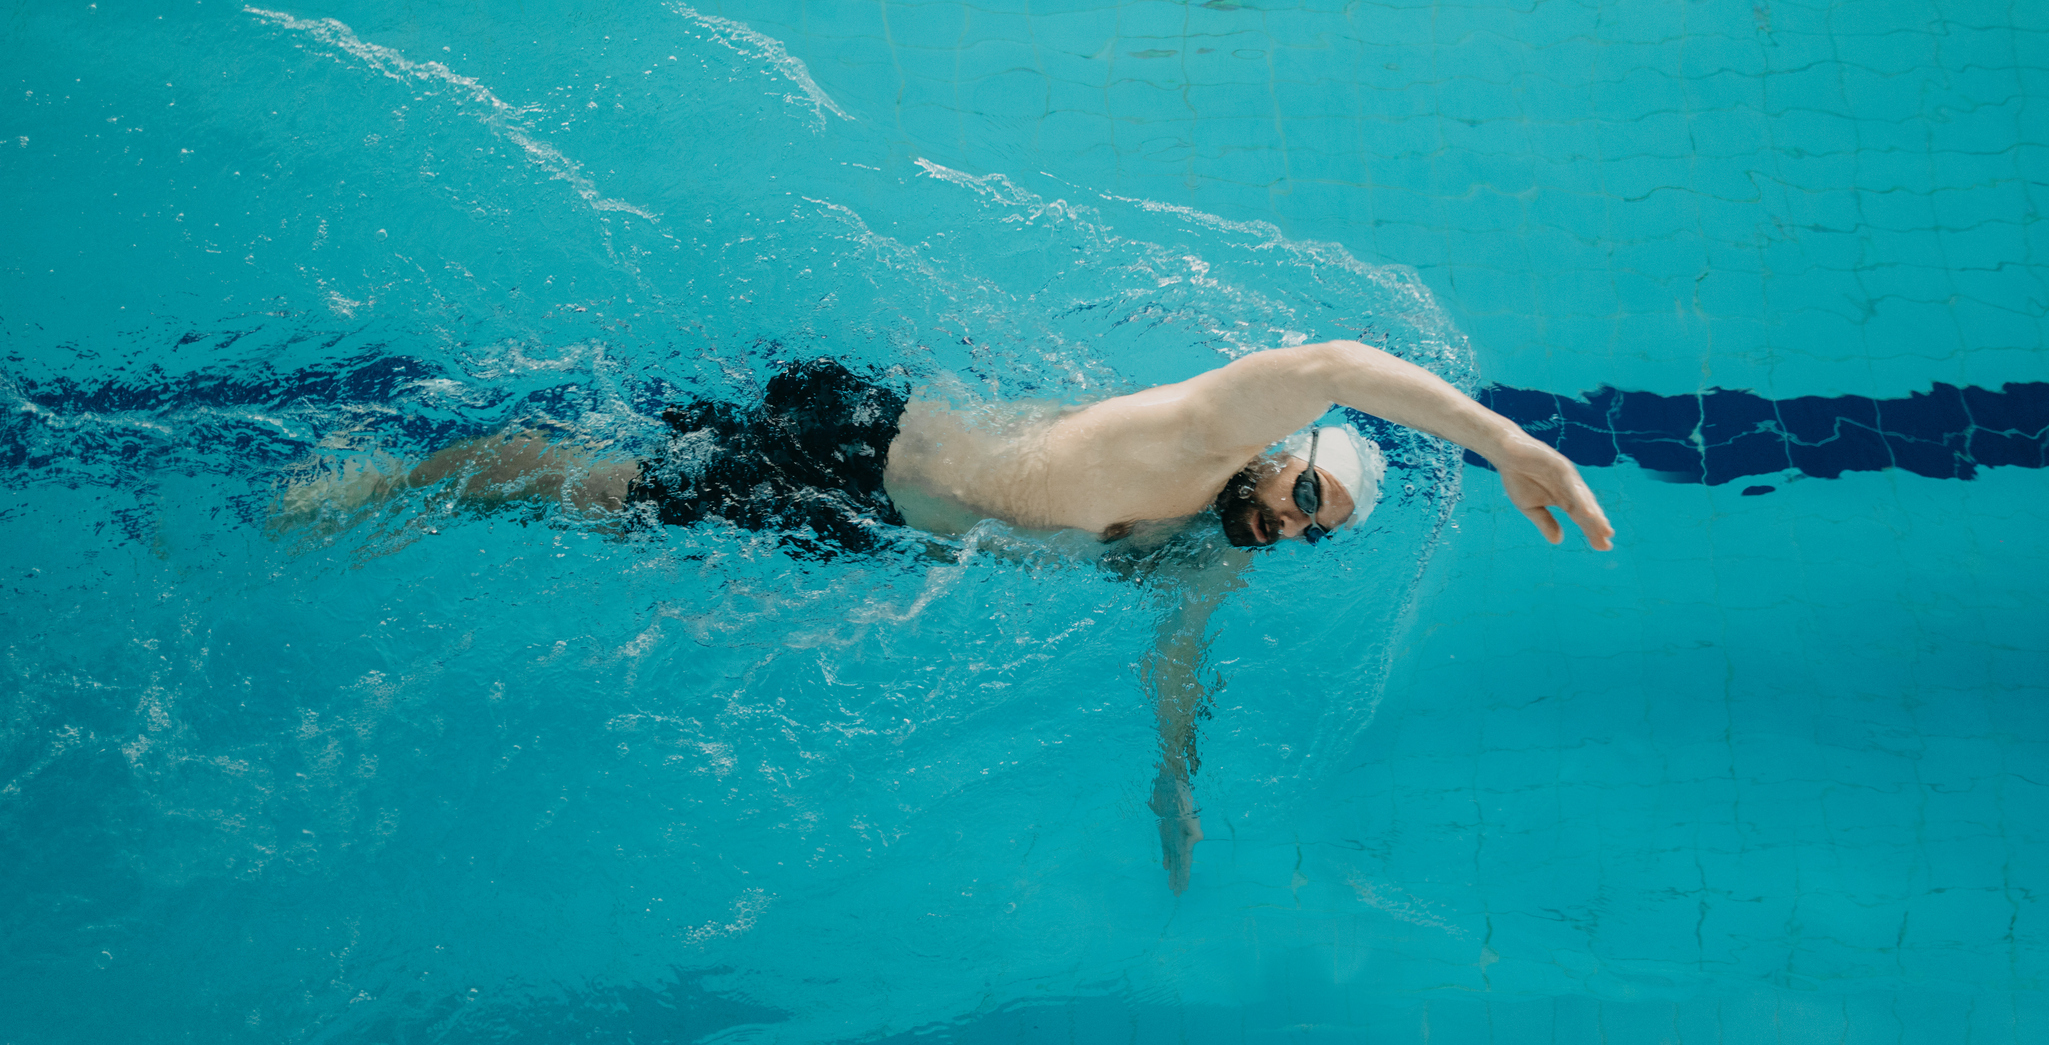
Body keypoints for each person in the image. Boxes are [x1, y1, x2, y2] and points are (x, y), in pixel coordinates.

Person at [288, 340, 1613, 891]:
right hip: (863, 453)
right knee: (612, 493)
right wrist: (1502, 443)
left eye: (1314, 532)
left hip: (870, 518)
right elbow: (1335, 360)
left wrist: (1173, 783)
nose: (1289, 523)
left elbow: (1178, 654)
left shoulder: (1204, 542)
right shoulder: (1182, 442)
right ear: (1282, 448)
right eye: (1305, 491)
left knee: (642, 485)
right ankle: (392, 476)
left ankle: (464, 462)